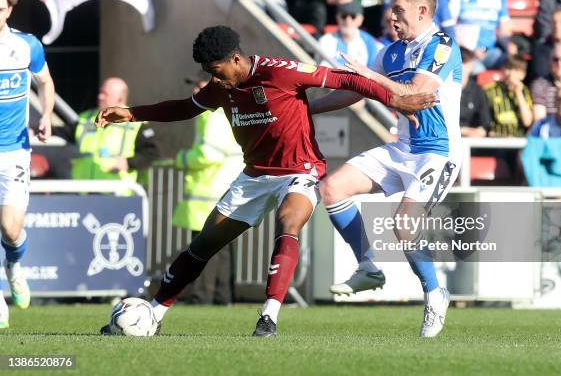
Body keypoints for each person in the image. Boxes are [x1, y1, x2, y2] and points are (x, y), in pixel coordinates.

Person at [96, 25, 437, 337]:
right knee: (203, 245)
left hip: (300, 169)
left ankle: (268, 317)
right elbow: (185, 108)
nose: (214, 79)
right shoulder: (221, 87)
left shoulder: (279, 72)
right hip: (255, 175)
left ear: (235, 59)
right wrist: (130, 113)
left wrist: (395, 98)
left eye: (216, 71)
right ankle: (154, 314)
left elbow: (346, 80)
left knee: (288, 221)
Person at [311, 0, 462, 338]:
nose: (391, 16)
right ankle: (368, 267)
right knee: (332, 188)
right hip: (402, 147)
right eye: (391, 9)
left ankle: (435, 293)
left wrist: (371, 77)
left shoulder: (441, 46)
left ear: (422, 11)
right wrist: (308, 108)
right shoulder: (391, 52)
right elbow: (356, 91)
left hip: (437, 153)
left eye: (399, 9)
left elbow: (414, 94)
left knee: (404, 225)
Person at [0, 0, 56, 328]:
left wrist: (47, 114)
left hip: (14, 152)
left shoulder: (26, 45)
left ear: (9, 9)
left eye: (1, 8)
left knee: (10, 228)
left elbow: (45, 83)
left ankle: (14, 265)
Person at [172, 77, 244, 305]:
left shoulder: (210, 114)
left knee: (203, 247)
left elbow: (208, 154)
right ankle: (224, 298)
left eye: (200, 86)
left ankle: (201, 297)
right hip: (230, 187)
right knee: (223, 249)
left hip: (209, 190)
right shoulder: (232, 109)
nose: (195, 90)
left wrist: (182, 159)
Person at [55, 77, 160, 183]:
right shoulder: (86, 118)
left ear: (120, 99)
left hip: (117, 193)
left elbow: (152, 153)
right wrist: (40, 128)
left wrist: (127, 163)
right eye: (100, 92)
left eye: (105, 94)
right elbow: (62, 132)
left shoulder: (137, 124)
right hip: (84, 190)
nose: (100, 97)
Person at [317, 1, 382, 68]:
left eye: (353, 16)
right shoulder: (325, 41)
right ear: (337, 18)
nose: (348, 21)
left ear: (360, 19)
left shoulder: (369, 42)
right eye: (343, 16)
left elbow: (373, 71)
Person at [484, 57, 533, 137]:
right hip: (495, 141)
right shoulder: (489, 91)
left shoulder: (525, 91)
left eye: (516, 70)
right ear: (502, 70)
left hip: (519, 142)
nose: (511, 74)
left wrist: (518, 93)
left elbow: (527, 122)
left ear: (523, 75)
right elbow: (485, 126)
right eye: (509, 68)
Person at [459, 47, 490, 137]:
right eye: (460, 61)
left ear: (471, 65)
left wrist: (481, 131)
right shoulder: (441, 88)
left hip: (472, 140)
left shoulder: (477, 90)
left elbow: (485, 122)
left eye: (465, 62)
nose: (461, 66)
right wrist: (463, 130)